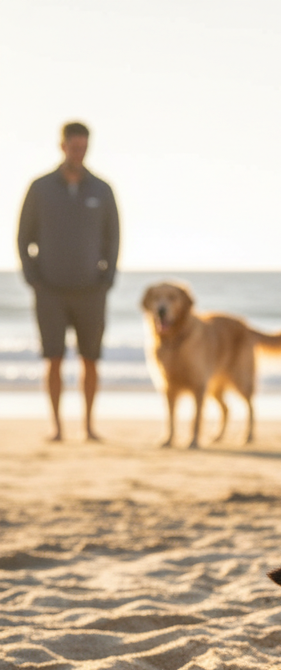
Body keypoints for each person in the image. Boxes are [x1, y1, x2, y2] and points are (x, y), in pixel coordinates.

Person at [17, 122, 120, 441]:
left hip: (91, 289)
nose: (79, 152)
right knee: (54, 358)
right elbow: (24, 237)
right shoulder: (40, 187)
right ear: (62, 147)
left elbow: (113, 237)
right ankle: (57, 427)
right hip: (50, 289)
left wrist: (107, 276)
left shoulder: (102, 189)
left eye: (83, 147)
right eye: (73, 146)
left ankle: (88, 427)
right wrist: (34, 278)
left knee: (91, 359)